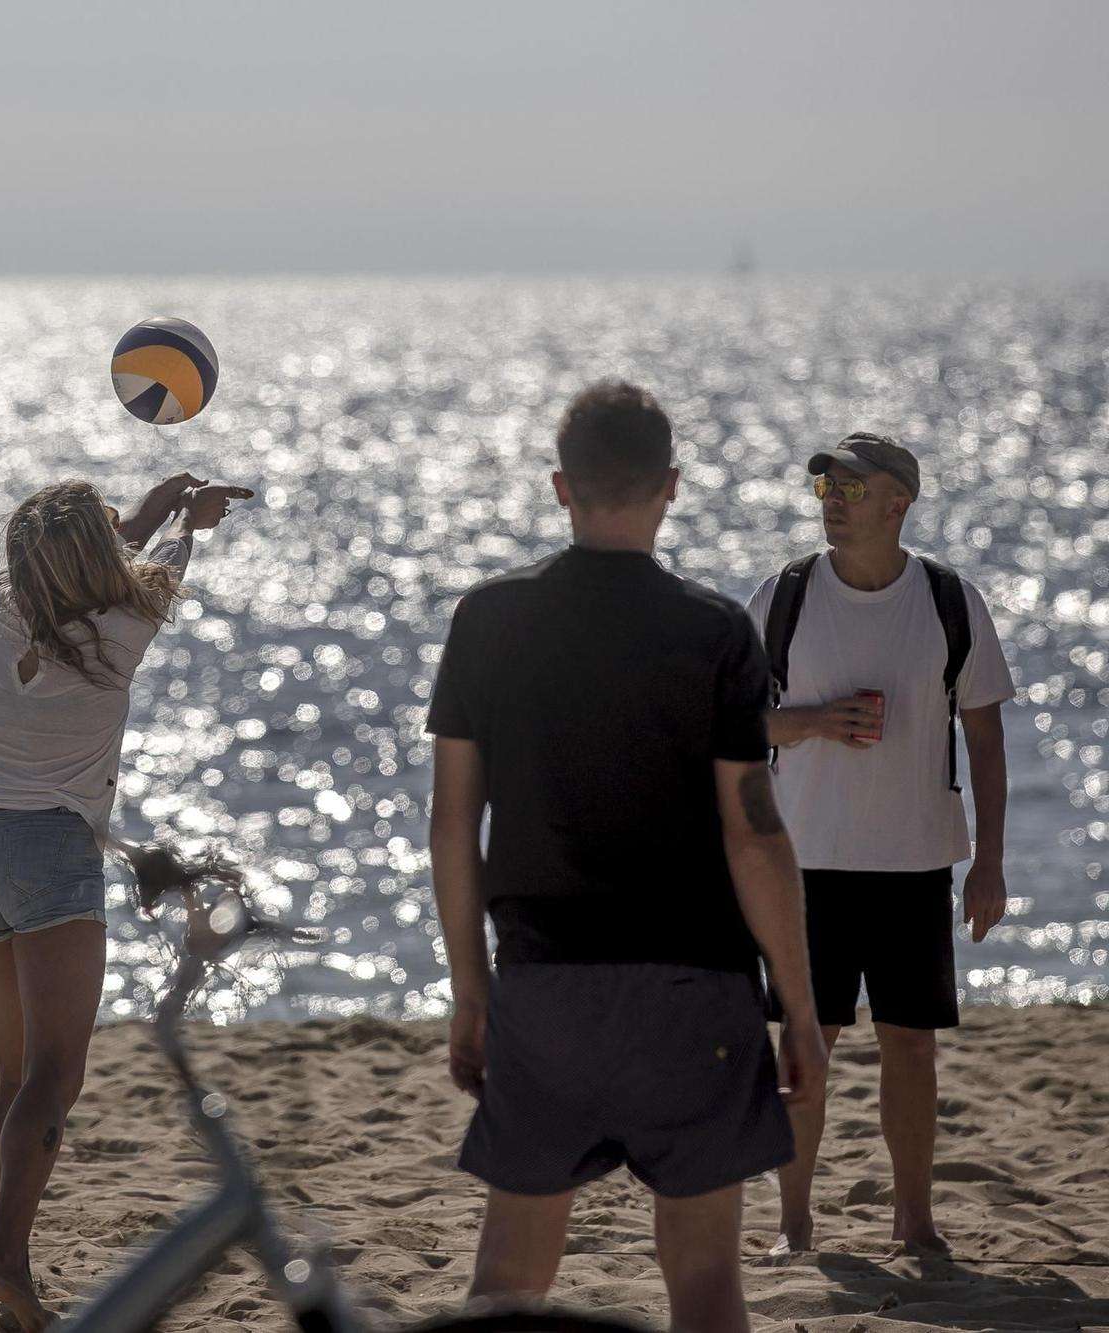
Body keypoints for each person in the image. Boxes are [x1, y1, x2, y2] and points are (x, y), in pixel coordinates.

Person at [427, 381, 827, 1333]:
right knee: (704, 1282)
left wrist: (472, 992)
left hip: (548, 981)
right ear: (672, 485)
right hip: (695, 991)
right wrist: (800, 1007)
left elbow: (452, 823)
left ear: (562, 486)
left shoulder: (489, 619)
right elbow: (754, 830)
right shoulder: (714, 628)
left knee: (506, 1285)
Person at [0, 471, 252, 1331]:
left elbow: (101, 555)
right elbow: (157, 566)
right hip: (51, 851)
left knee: (15, 1078)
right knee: (54, 1076)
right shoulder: (124, 628)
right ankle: (5, 1254)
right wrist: (188, 518)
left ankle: (13, 1280)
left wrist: (149, 513)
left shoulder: (0, 605)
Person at [747, 432, 1015, 1256]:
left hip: (913, 863)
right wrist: (817, 722)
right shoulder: (783, 596)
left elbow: (986, 737)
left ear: (900, 500)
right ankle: (795, 1224)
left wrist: (990, 862)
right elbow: (732, 724)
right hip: (807, 866)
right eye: (825, 482)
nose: (833, 495)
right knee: (806, 1047)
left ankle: (914, 1219)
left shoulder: (948, 600)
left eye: (853, 486)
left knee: (910, 1047)